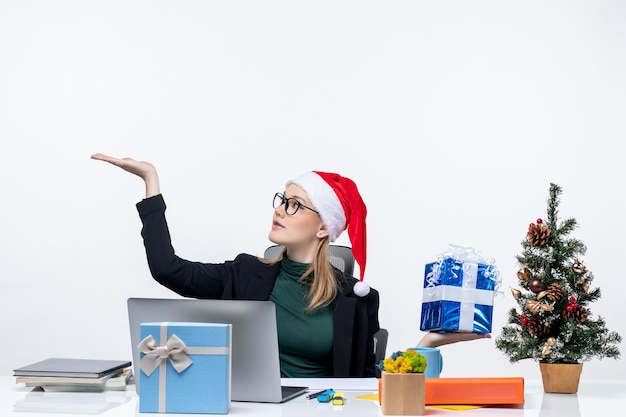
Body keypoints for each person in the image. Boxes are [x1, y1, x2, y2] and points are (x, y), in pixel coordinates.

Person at [91, 153, 489, 377]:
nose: (281, 209)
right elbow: (168, 269)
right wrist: (151, 182)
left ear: (322, 228)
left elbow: (371, 384)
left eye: (296, 204)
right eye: (283, 199)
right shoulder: (246, 274)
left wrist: (426, 345)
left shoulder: (356, 299)